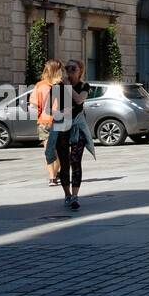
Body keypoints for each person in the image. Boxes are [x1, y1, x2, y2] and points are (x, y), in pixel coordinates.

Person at [46, 59, 95, 209]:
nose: (69, 71)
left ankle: (75, 196)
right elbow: (48, 109)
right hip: (61, 126)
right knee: (65, 163)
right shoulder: (57, 87)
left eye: (73, 68)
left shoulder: (84, 86)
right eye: (67, 68)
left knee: (75, 160)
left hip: (77, 128)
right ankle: (67, 194)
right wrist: (59, 113)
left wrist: (68, 87)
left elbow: (79, 100)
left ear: (80, 70)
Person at [34, 60, 63, 186]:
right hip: (52, 122)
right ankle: (54, 176)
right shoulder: (42, 85)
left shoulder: (42, 85)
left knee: (54, 151)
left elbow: (35, 105)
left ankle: (54, 175)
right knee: (55, 151)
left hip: (52, 122)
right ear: (56, 70)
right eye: (60, 69)